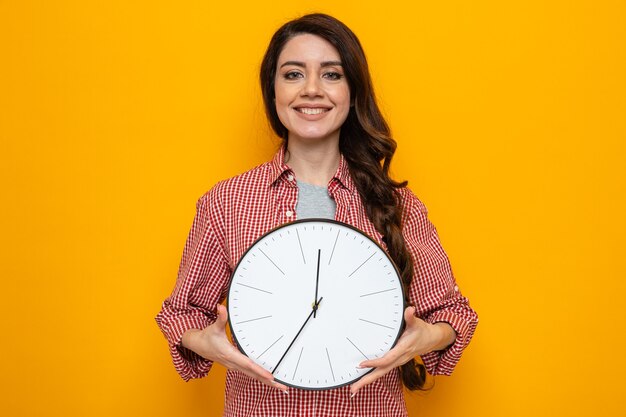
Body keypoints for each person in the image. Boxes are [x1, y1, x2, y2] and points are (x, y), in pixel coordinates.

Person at [156, 13, 478, 417]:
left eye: (331, 75)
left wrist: (424, 337)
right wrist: (206, 342)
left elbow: (453, 314)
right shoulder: (227, 202)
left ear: (353, 92)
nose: (311, 90)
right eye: (293, 74)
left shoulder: (396, 204)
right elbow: (182, 312)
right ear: (272, 90)